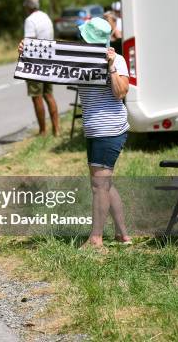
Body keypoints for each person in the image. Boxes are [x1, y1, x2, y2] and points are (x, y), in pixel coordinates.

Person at [78, 17, 131, 249]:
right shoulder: (81, 59)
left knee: (99, 186)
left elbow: (120, 92)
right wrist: (26, 53)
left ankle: (96, 239)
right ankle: (123, 235)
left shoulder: (117, 59)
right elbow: (47, 69)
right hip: (94, 129)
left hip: (109, 130)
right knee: (105, 184)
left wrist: (110, 67)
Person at [22, 0, 60, 136]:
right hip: (49, 59)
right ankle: (56, 129)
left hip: (36, 62)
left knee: (36, 96)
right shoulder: (45, 16)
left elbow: (30, 42)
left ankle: (43, 130)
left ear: (28, 6)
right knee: (49, 94)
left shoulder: (30, 20)